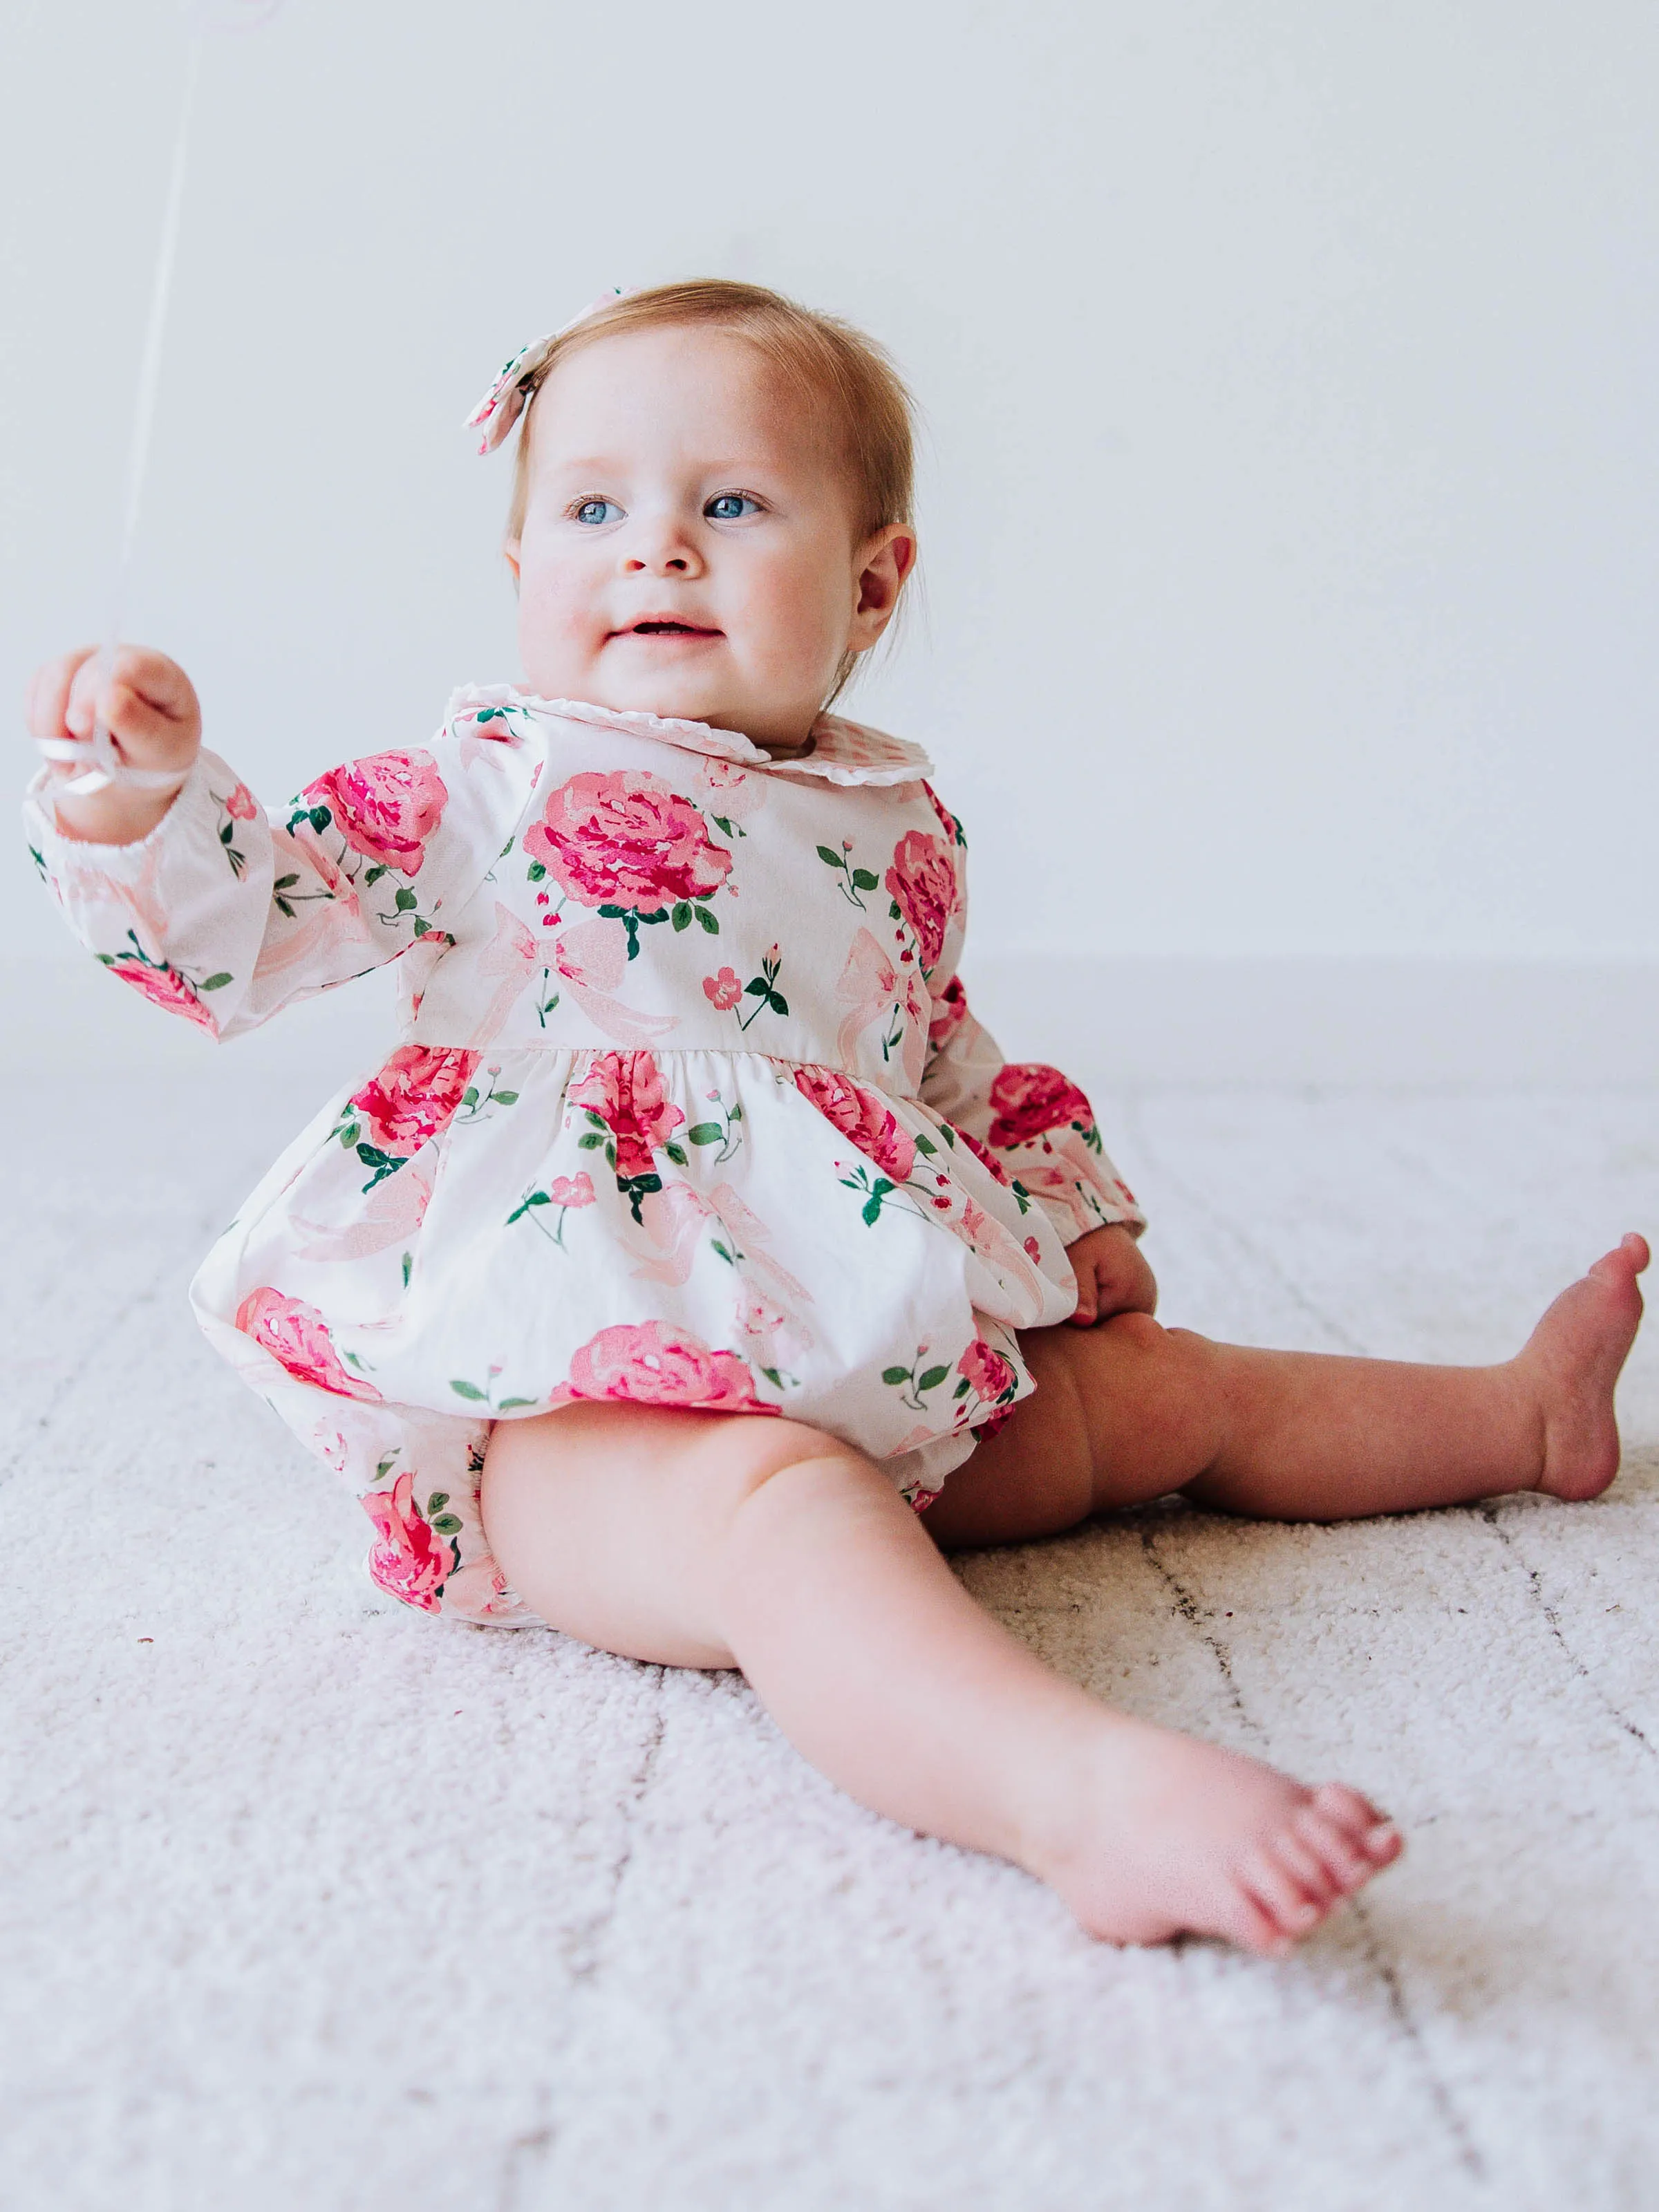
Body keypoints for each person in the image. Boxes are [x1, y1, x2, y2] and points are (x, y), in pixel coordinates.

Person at [24, 280, 1647, 1958]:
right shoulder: (477, 787)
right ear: (522, 579)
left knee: (1163, 1393)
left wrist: (1070, 1206)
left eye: (729, 504)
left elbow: (937, 1050)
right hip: (580, 1414)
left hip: (883, 1355)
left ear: (873, 580)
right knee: (778, 1510)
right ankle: (1074, 1796)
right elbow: (247, 925)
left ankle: (1518, 1420)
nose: (655, 549)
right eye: (594, 509)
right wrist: (136, 800)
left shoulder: (887, 818)